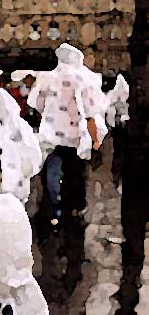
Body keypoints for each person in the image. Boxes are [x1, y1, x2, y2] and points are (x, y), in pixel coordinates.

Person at [27, 42, 107, 292]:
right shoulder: (84, 79)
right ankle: (72, 210)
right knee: (75, 175)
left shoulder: (48, 78)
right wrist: (95, 140)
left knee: (51, 174)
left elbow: (36, 104)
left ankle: (53, 208)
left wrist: (50, 120)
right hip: (74, 141)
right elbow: (93, 113)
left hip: (52, 138)